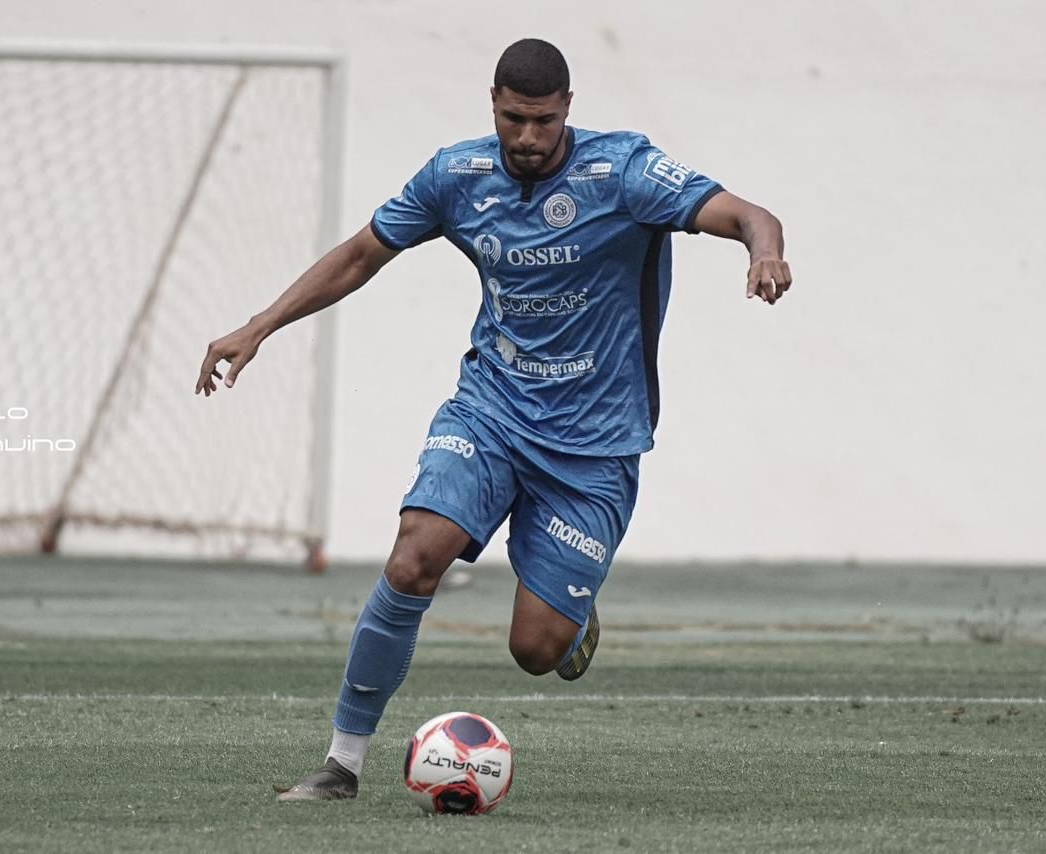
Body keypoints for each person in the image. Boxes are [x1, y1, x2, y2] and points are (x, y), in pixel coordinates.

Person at [195, 37, 792, 801]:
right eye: (515, 119)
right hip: (492, 410)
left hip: (595, 442)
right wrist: (260, 326)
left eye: (544, 121)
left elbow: (747, 213)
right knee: (415, 555)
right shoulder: (457, 175)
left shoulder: (626, 172)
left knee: (536, 650)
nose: (530, 138)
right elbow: (359, 255)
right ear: (494, 106)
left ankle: (573, 618)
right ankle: (342, 762)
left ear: (568, 110)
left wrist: (763, 253)